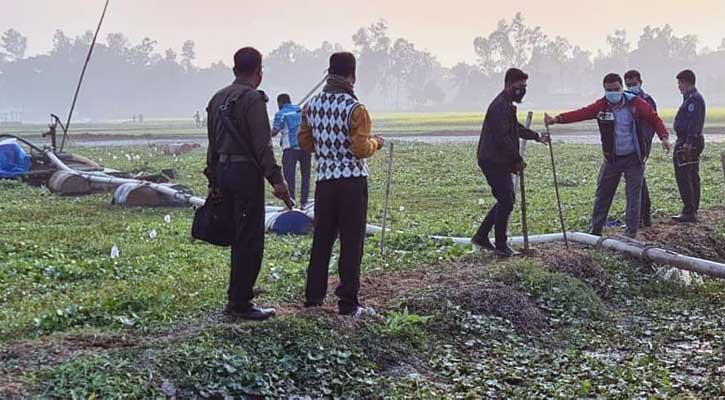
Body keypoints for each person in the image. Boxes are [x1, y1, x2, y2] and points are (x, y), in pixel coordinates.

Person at [204, 47, 292, 321]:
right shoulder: (253, 99)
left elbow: (212, 144)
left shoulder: (217, 98)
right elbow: (262, 146)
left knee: (236, 234)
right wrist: (277, 181)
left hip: (224, 170)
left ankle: (237, 294)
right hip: (245, 174)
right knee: (249, 238)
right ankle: (241, 302)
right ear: (259, 72)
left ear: (234, 70)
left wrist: (213, 179)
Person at [299, 52, 384, 316]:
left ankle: (313, 299)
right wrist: (376, 143)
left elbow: (305, 142)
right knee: (351, 242)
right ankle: (348, 302)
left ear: (328, 73)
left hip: (325, 181)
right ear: (352, 76)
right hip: (351, 182)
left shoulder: (310, 106)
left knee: (322, 240)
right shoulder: (355, 109)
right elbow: (360, 148)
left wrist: (327, 149)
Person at [545, 73, 671, 238]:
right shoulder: (601, 106)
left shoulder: (635, 103)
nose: (613, 93)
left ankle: (630, 234)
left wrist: (664, 137)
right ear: (604, 90)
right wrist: (557, 119)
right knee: (603, 193)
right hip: (612, 158)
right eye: (609, 90)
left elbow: (654, 119)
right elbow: (581, 113)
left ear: (621, 88)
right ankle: (595, 231)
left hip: (634, 157)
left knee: (634, 196)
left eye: (616, 89)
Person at [472, 68, 550, 258]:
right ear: (509, 85)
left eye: (525, 87)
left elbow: (515, 129)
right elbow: (502, 138)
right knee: (506, 200)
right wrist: (517, 159)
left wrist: (537, 136)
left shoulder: (507, 105)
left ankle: (482, 236)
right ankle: (500, 244)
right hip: (493, 159)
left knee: (505, 199)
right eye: (519, 86)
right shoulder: (500, 107)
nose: (522, 90)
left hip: (498, 159)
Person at [624, 70, 658, 227]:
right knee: (637, 181)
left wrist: (642, 147)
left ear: (640, 82)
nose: (631, 87)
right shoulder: (626, 100)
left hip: (641, 146)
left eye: (634, 84)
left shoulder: (647, 101)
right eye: (628, 84)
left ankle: (642, 216)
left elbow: (651, 125)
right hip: (628, 147)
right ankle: (641, 216)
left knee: (636, 182)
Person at [671, 70, 706, 223]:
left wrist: (688, 143)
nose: (678, 86)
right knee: (691, 174)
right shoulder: (690, 98)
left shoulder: (694, 100)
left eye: (680, 83)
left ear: (686, 82)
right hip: (689, 140)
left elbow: (694, 123)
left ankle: (689, 210)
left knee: (684, 176)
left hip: (687, 141)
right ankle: (692, 208)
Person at [272, 94, 311, 208]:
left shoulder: (280, 114)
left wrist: (263, 137)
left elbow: (275, 130)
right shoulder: (300, 110)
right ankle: (304, 202)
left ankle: (291, 202)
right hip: (305, 147)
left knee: (289, 177)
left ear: (280, 103)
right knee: (306, 175)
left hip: (290, 149)